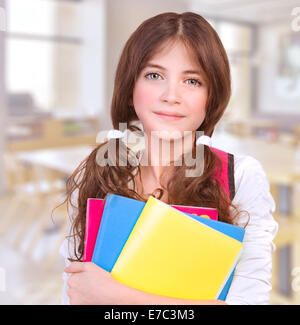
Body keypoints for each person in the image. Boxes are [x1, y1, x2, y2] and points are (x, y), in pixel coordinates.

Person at [59, 11, 278, 305]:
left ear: (210, 98)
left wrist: (113, 295)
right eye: (154, 76)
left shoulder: (240, 178)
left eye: (192, 81)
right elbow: (74, 293)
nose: (171, 95)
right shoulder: (97, 174)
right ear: (130, 89)